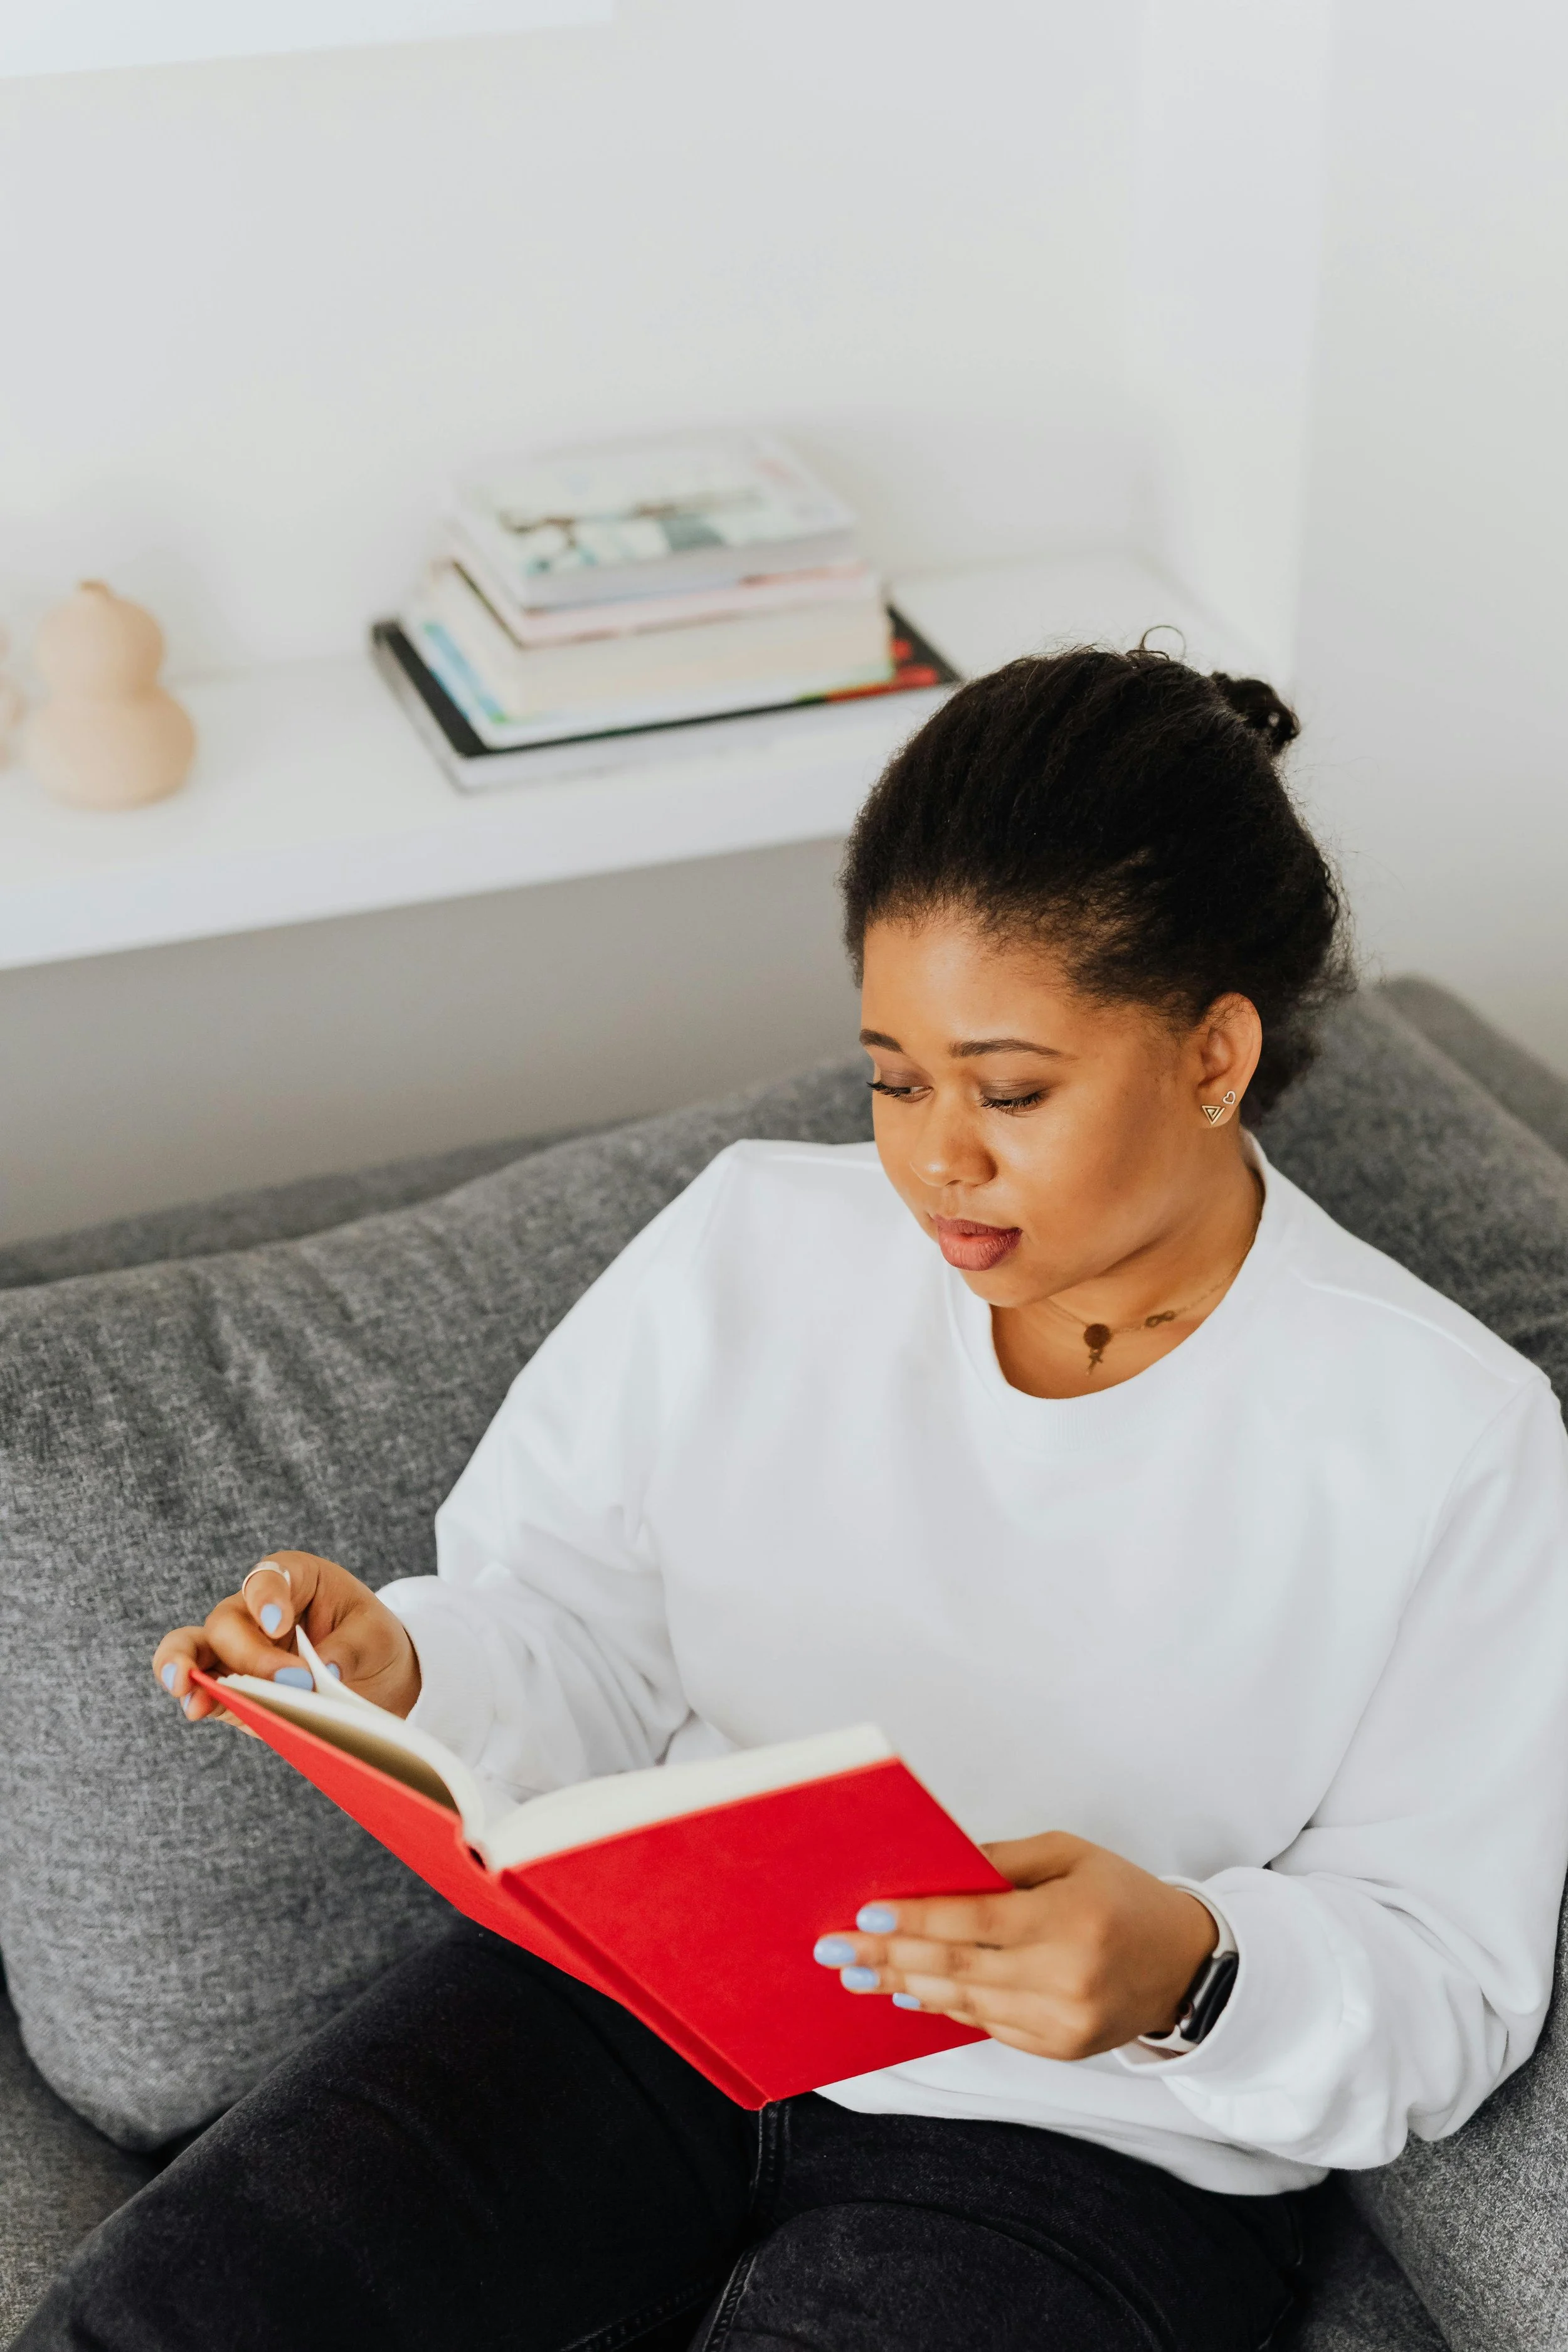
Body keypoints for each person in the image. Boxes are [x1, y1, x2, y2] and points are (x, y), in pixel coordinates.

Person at [25, 649, 1568, 2352]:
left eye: (1011, 1091)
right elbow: (570, 1624)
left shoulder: (1447, 1435)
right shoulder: (759, 1239)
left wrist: (1191, 1971)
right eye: (895, 1078)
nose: (936, 1159)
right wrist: (402, 1663)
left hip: (1083, 2146)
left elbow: (1449, 1976)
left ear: (1215, 1050)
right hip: (645, 2003)